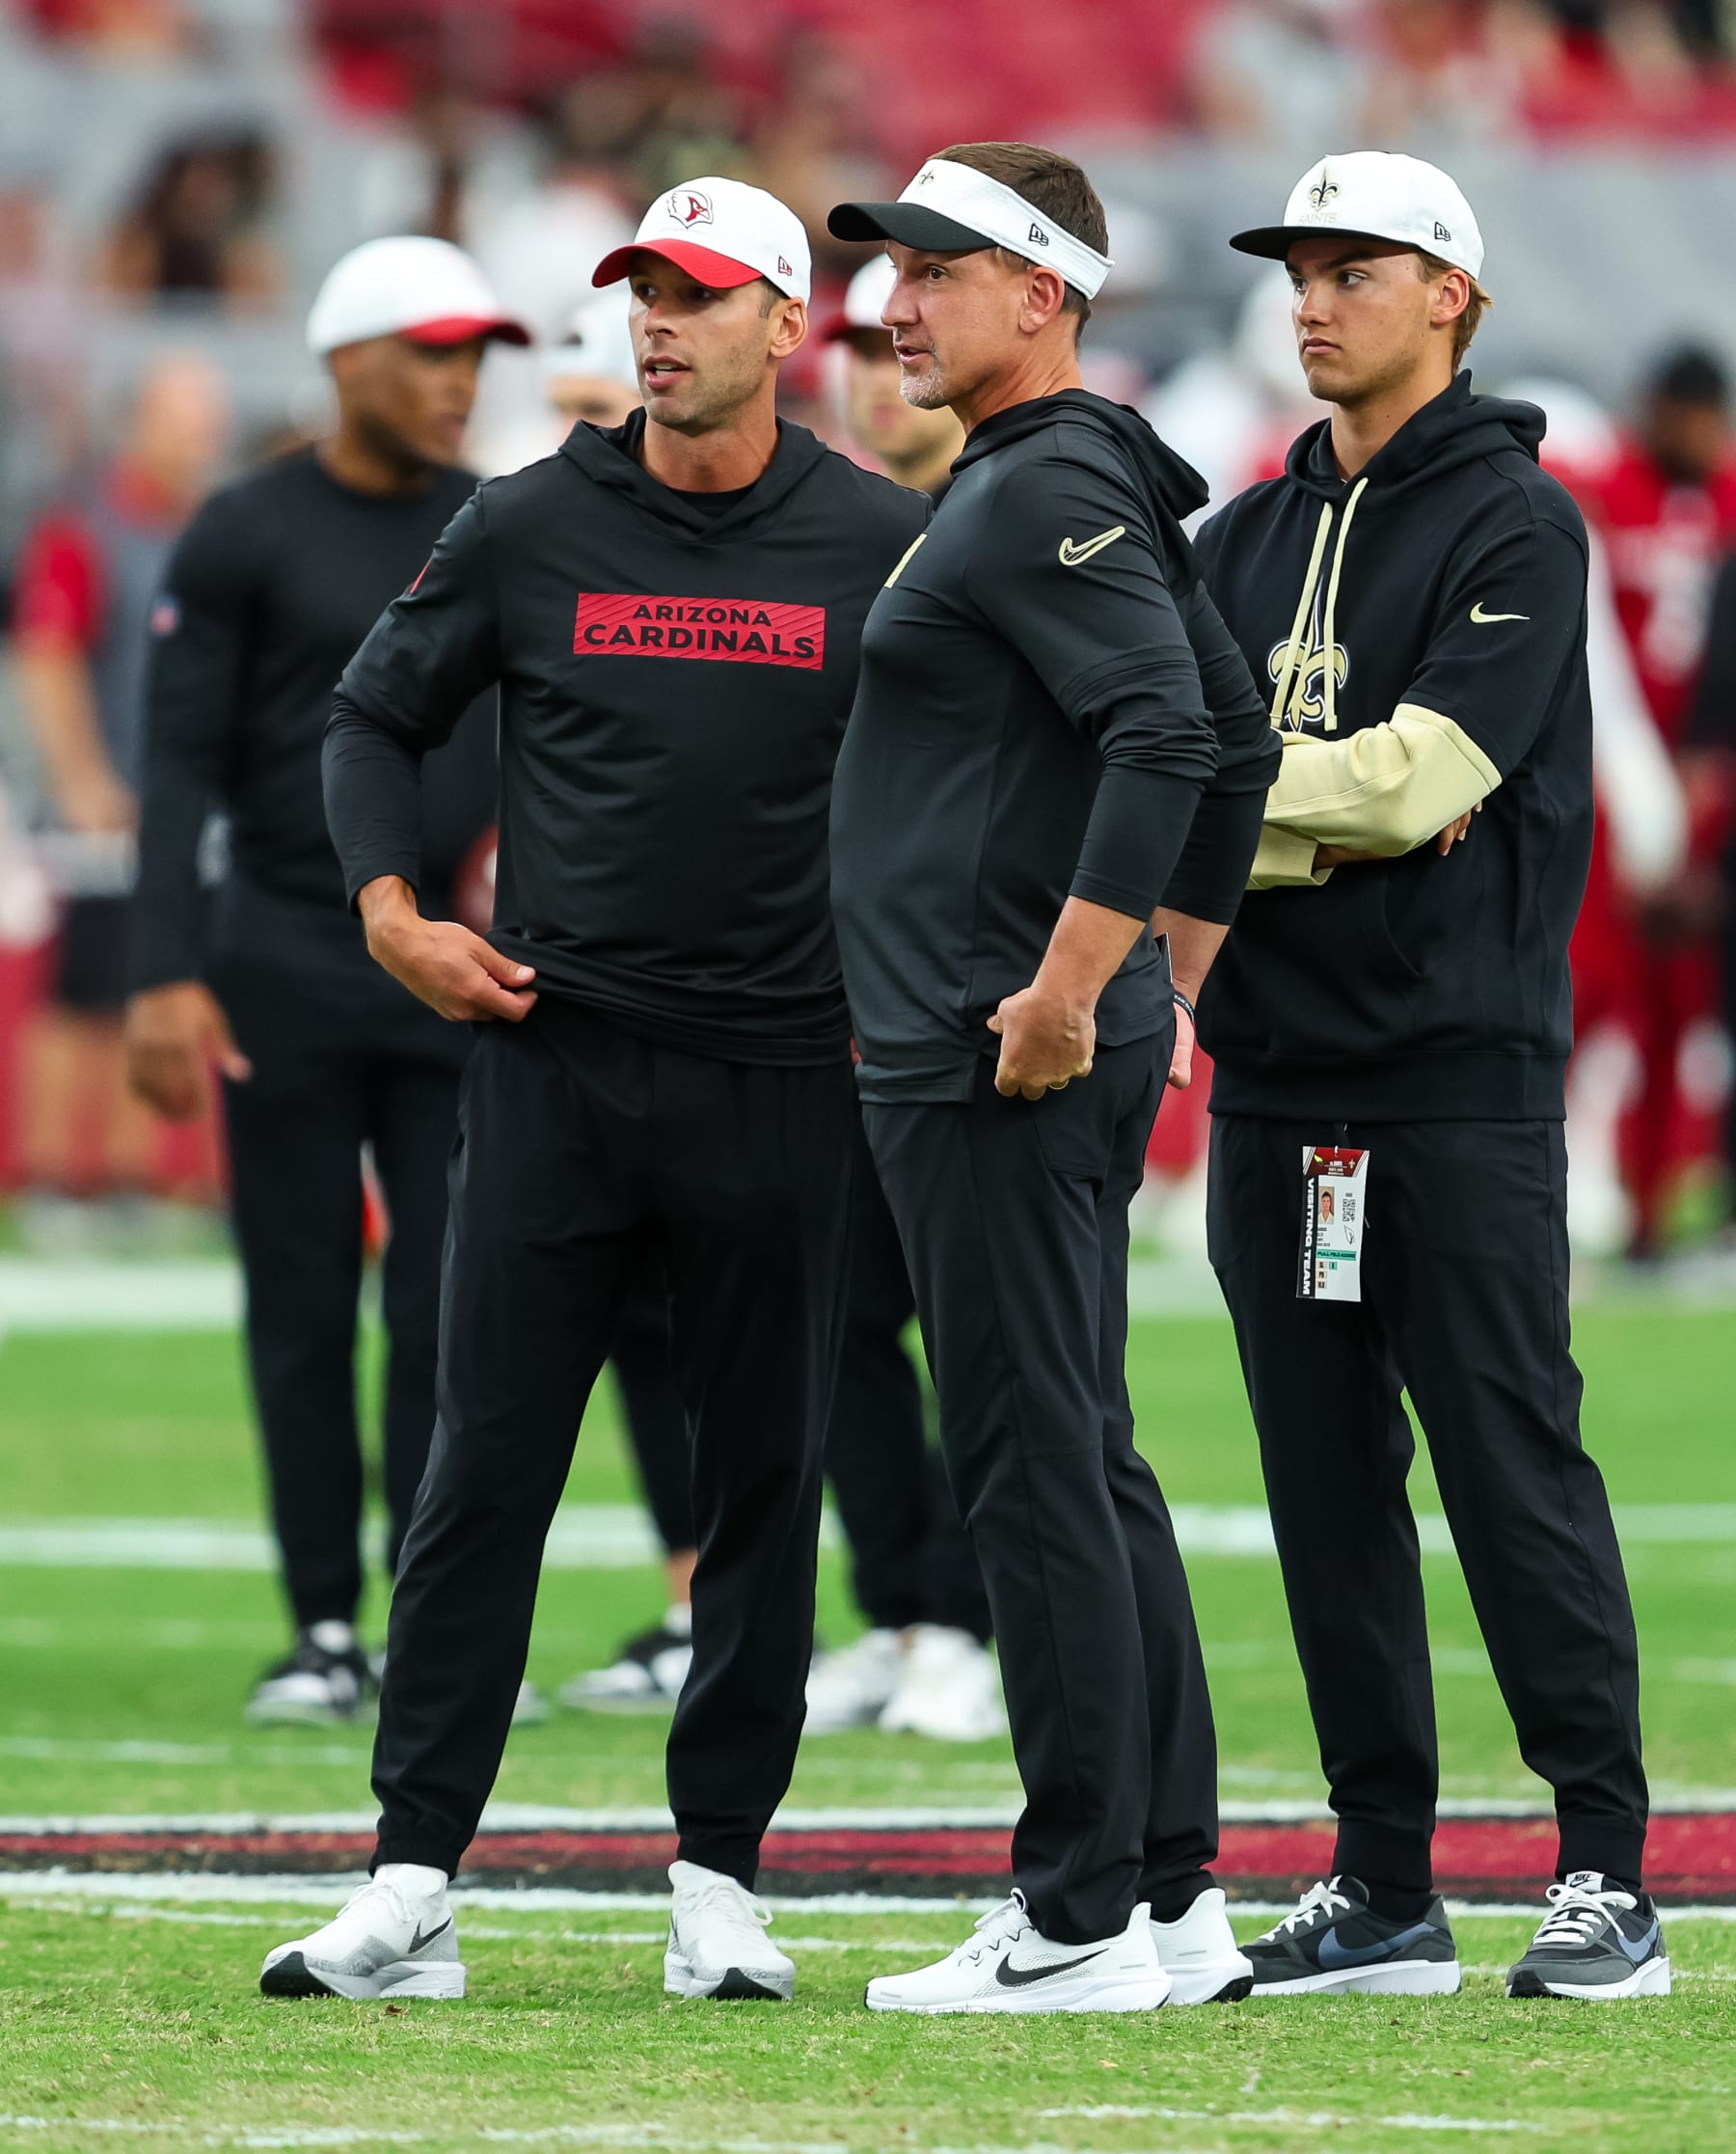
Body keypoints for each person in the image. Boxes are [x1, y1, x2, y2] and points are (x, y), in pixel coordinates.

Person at [261, 177, 928, 2006]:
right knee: (484, 1473)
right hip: (555, 1064)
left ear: (786, 325)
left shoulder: (885, 541)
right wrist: (392, 911)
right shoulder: (528, 520)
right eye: (642, 290)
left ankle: (719, 1875)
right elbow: (371, 719)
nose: (660, 322)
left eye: (702, 296)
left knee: (768, 1484)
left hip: (786, 1074)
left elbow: (992, 771)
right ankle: (412, 1876)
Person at [1193, 150, 1665, 2003]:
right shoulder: (1235, 534)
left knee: (1507, 1465)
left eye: (1356, 267)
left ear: (1452, 293)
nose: (1314, 297)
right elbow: (1214, 785)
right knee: (1322, 1485)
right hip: (1271, 1085)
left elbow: (1418, 782)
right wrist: (1287, 821)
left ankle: (1606, 1866)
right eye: (1300, 268)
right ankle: (1382, 1874)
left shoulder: (1517, 525)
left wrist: (1242, 812)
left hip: (1454, 1084)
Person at [827, 140, 1277, 2013]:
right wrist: (1155, 984)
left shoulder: (1040, 487)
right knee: (1085, 1458)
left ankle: (1076, 1911)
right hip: (1017, 1037)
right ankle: (1170, 1899)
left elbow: (1175, 733)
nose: (894, 304)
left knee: (1029, 1468)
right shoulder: (1064, 479)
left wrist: (1075, 990)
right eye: (889, 272)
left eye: (935, 269)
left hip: (985, 1051)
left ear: (1045, 294)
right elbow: (1237, 738)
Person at [124, 238, 524, 1723]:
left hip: (450, 968)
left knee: (448, 1310)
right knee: (297, 1305)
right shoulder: (242, 531)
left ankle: (423, 1625)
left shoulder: (495, 524)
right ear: (346, 360)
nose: (459, 379)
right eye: (430, 352)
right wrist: (163, 967)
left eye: (474, 354)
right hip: (284, 955)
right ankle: (320, 1625)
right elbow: (177, 761)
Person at [13, 355, 231, 1207]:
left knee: (172, 984)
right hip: (105, 805)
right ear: (139, 424)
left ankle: (144, 1174)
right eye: (185, 421)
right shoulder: (85, 526)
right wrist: (81, 779)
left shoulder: (213, 525)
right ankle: (61, 1175)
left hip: (191, 801)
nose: (201, 439)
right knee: (87, 990)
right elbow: (47, 655)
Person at [1591, 348, 1736, 1255]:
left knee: (1683, 1004)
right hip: (1612, 776)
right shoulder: (1603, 490)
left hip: (1710, 783)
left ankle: (1652, 1210)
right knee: (1591, 992)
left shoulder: (1725, 495)